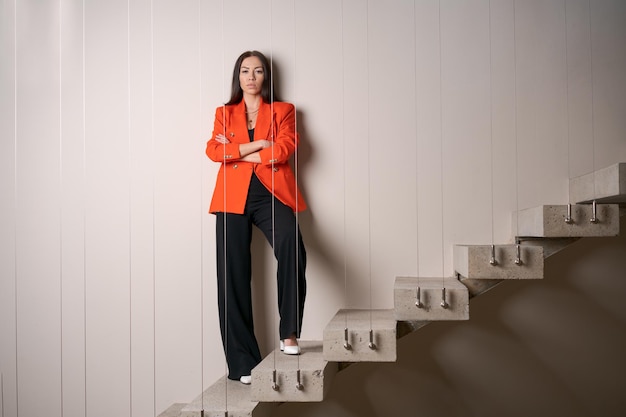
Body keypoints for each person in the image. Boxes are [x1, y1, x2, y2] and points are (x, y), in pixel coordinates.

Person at [205, 50, 307, 385]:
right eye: (245, 71)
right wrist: (260, 144)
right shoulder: (224, 112)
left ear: (267, 77)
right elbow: (212, 151)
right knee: (231, 276)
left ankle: (289, 333)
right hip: (230, 197)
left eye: (258, 71)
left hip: (270, 192)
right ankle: (242, 363)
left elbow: (282, 151)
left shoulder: (284, 111)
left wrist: (239, 150)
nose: (251, 77)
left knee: (291, 241)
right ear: (238, 76)